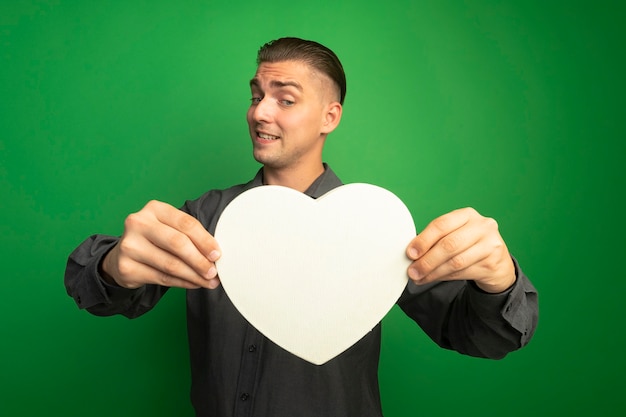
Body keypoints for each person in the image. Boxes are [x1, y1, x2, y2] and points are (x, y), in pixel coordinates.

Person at [65, 37, 538, 417]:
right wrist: (112, 266)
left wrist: (498, 283)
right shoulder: (207, 216)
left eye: (284, 99)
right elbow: (104, 292)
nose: (259, 113)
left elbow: (482, 335)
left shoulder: (376, 230)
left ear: (329, 117)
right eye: (256, 96)